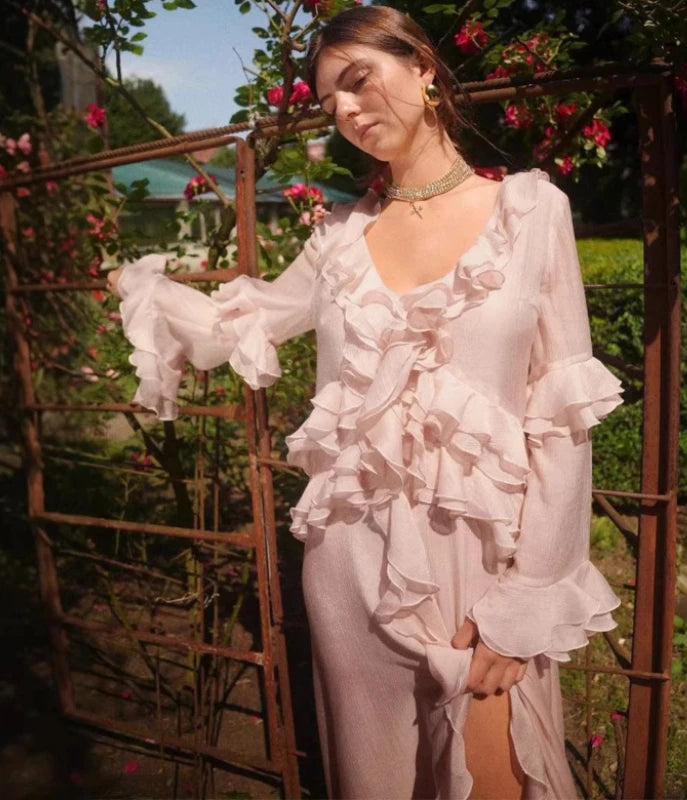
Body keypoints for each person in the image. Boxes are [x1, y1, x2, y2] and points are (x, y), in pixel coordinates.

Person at [108, 5, 624, 798]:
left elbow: (561, 422)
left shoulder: (530, 213)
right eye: (329, 103)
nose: (346, 111)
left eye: (357, 81)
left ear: (421, 66)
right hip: (350, 570)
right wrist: (147, 295)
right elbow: (239, 324)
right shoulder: (338, 241)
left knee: (499, 777)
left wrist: (525, 602)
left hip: (481, 574)